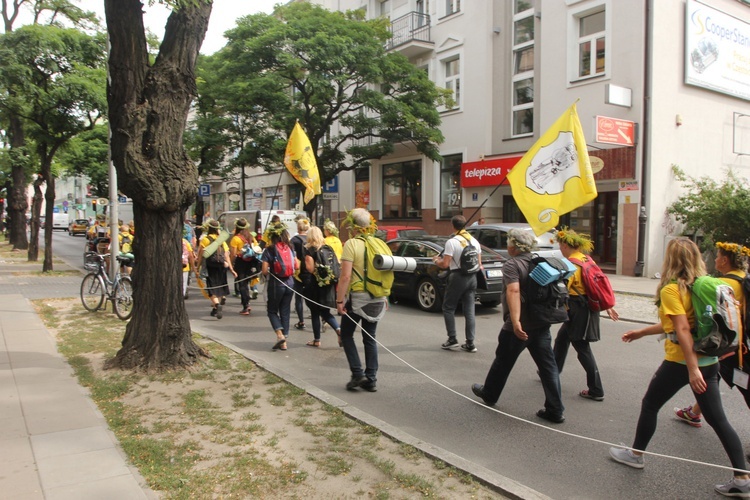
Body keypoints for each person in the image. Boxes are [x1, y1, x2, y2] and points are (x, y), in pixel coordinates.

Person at [611, 238, 750, 497]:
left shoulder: (672, 289)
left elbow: (682, 328)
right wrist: (641, 332)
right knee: (718, 419)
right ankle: (742, 479)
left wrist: (692, 368)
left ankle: (635, 455)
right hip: (710, 361)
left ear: (670, 260)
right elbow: (679, 325)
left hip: (681, 362)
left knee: (650, 404)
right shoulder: (707, 285)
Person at [470, 228, 565, 424]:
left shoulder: (513, 264)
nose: (507, 246)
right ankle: (555, 410)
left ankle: (489, 394)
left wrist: (515, 322)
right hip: (541, 322)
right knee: (549, 367)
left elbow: (513, 291)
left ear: (514, 246)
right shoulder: (538, 262)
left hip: (520, 325)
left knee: (502, 361)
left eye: (509, 243)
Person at [674, 241, 750, 428]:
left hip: (733, 348)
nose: (715, 259)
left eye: (717, 256)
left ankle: (696, 413)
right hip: (740, 344)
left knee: (743, 388)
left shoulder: (724, 284)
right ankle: (693, 412)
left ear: (724, 260)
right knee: (712, 375)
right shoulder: (744, 279)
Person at [553, 228, 618, 401]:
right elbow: (597, 284)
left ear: (566, 245)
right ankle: (552, 370)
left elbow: (563, 290)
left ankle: (596, 389)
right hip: (585, 306)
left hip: (578, 308)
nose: (560, 248)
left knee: (581, 347)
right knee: (562, 338)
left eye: (560, 245)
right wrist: (606, 306)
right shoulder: (586, 259)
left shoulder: (571, 264)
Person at [336, 208, 387, 392]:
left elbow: (345, 277)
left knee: (347, 335)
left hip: (358, 298)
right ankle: (371, 379)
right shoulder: (379, 243)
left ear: (353, 226)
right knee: (370, 337)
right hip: (378, 296)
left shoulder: (351, 244)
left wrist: (339, 301)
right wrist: (385, 296)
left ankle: (357, 374)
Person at [434, 214, 481, 353]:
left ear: (453, 225)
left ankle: (452, 339)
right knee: (469, 311)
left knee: (448, 307)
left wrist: (436, 260)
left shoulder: (452, 242)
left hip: (457, 277)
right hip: (472, 277)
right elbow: (479, 263)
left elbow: (445, 264)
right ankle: (470, 343)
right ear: (465, 225)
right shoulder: (474, 241)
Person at [261, 222, 298, 351]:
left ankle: (279, 335)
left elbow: (265, 270)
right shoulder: (290, 247)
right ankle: (284, 342)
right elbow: (297, 266)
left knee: (272, 310)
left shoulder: (269, 249)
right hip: (290, 283)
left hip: (276, 284)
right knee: (285, 311)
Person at [303, 226, 341, 347]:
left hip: (314, 285)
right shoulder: (328, 248)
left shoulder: (309, 250)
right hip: (327, 285)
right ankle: (338, 329)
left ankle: (317, 339)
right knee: (325, 311)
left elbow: (310, 269)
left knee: (315, 312)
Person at [196, 219, 236, 320]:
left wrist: (197, 267)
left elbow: (201, 255)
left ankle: (217, 306)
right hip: (221, 267)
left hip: (210, 267)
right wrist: (231, 269)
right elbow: (226, 256)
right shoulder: (221, 240)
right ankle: (215, 308)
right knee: (219, 286)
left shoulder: (205, 239)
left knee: (211, 288)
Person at [229, 218, 258, 316]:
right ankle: (244, 300)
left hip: (240, 262)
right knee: (246, 282)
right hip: (251, 262)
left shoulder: (235, 239)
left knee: (242, 284)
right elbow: (256, 248)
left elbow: (233, 254)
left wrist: (231, 265)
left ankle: (246, 305)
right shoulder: (250, 237)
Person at [290, 217, 310, 330]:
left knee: (298, 298)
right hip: (310, 270)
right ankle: (321, 317)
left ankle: (301, 321)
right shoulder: (311, 239)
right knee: (311, 296)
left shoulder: (294, 240)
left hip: (298, 272)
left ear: (298, 227)